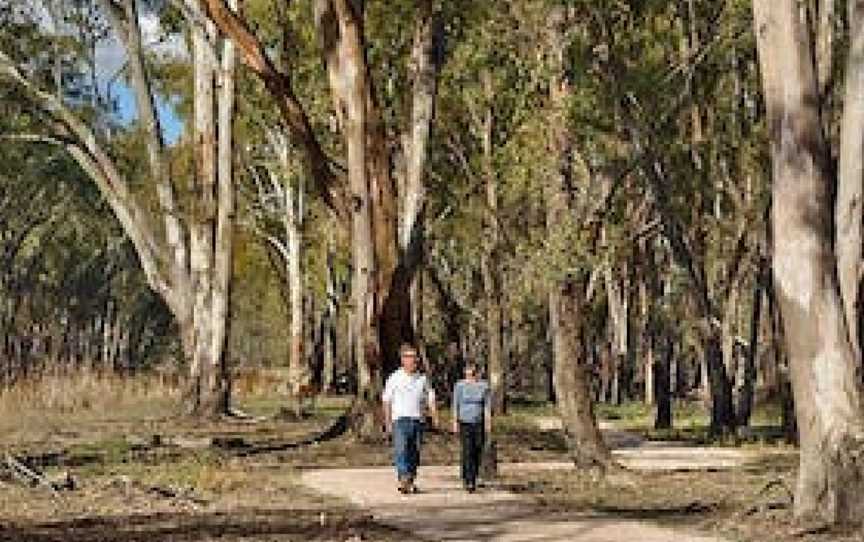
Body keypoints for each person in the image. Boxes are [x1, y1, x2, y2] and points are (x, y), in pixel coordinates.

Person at [383, 343, 438, 494]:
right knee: (401, 450)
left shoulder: (422, 379)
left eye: (414, 357)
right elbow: (386, 401)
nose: (412, 360)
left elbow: (430, 397)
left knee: (414, 452)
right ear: (402, 359)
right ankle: (403, 479)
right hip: (400, 420)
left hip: (418, 420)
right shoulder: (394, 378)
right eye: (408, 357)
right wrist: (388, 423)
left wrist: (434, 415)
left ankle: (410, 480)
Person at [451, 362, 492, 492]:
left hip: (479, 422)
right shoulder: (459, 386)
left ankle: (475, 475)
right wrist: (454, 421)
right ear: (465, 372)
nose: (470, 374)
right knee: (467, 450)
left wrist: (488, 422)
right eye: (468, 371)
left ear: (477, 372)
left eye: (473, 372)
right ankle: (468, 480)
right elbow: (455, 404)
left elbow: (486, 406)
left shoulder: (484, 386)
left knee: (478, 449)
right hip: (464, 422)